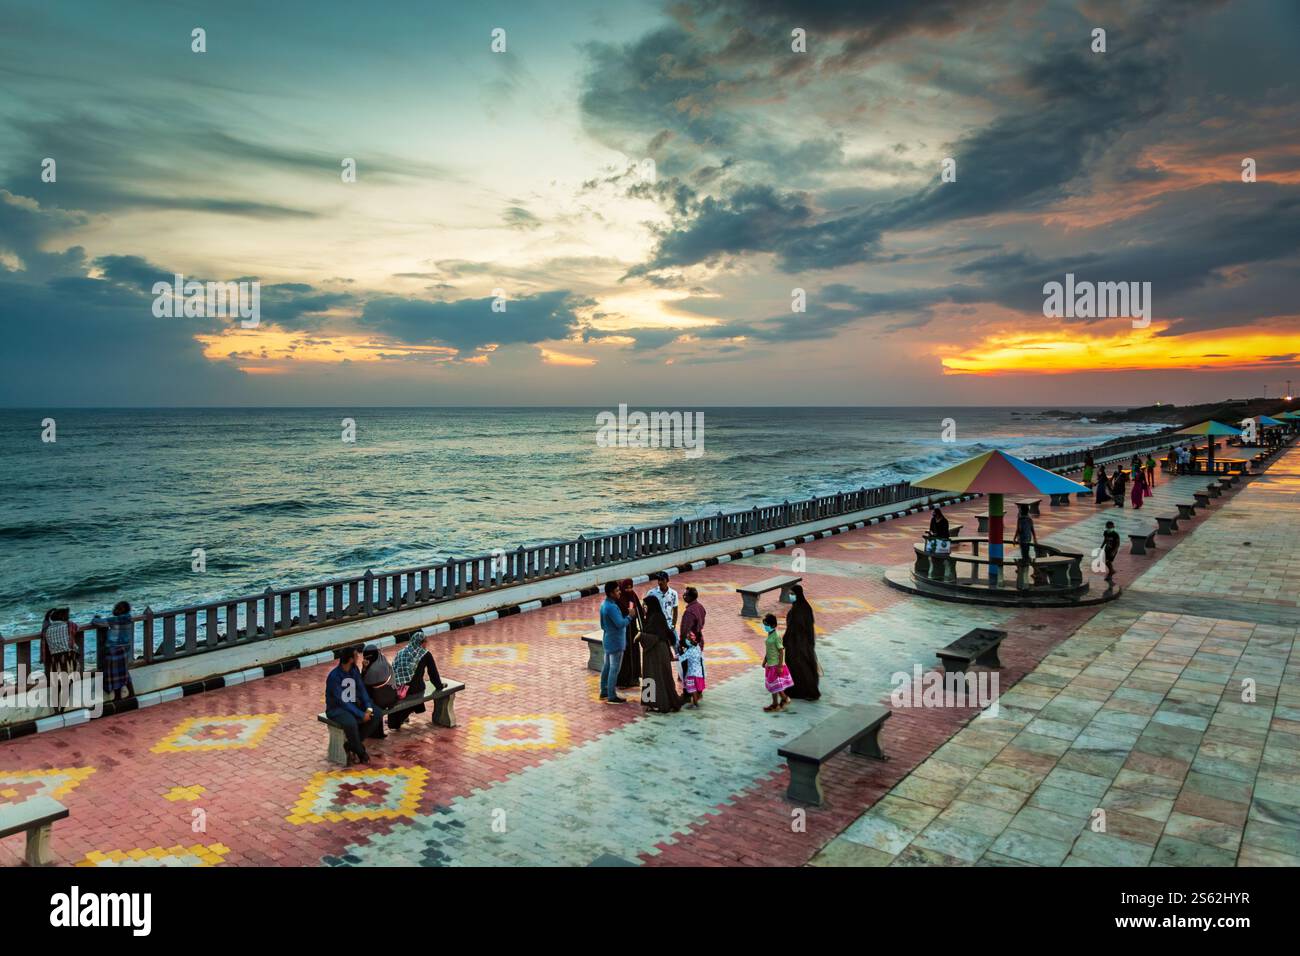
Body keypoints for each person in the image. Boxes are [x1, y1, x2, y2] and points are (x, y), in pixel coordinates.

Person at [325, 645, 381, 764]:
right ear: (350, 659)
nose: (358, 657)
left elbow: (361, 689)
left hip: (354, 704)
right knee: (351, 723)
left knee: (376, 714)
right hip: (337, 709)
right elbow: (342, 701)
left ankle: (351, 745)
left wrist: (368, 708)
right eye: (356, 655)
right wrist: (361, 715)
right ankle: (361, 752)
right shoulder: (334, 677)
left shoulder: (354, 670)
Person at [388, 629, 444, 731]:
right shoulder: (425, 654)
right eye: (426, 642)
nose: (427, 644)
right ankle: (400, 718)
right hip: (415, 690)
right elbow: (433, 674)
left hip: (399, 689)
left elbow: (393, 669)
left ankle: (398, 718)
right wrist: (440, 687)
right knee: (419, 687)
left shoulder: (401, 652)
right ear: (422, 643)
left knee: (414, 685)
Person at [638, 594, 683, 714]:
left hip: (656, 652)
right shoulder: (655, 616)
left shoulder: (655, 619)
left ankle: (658, 703)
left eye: (645, 605)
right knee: (658, 676)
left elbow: (655, 637)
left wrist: (641, 636)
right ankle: (652, 701)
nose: (644, 607)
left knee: (654, 676)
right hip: (657, 651)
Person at [90, 601, 134, 700]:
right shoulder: (128, 618)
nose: (115, 610)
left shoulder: (116, 619)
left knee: (115, 674)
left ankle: (118, 697)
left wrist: (96, 618)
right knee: (124, 672)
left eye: (117, 608)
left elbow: (98, 622)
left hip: (114, 648)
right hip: (125, 648)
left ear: (121, 610)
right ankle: (131, 694)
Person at [783, 584, 820, 700]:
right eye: (790, 594)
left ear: (798, 594)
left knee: (802, 667)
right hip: (801, 643)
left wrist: (786, 639)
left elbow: (796, 628)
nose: (790, 596)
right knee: (799, 667)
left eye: (792, 594)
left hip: (798, 645)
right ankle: (798, 690)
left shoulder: (799, 610)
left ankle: (809, 691)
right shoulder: (804, 606)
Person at [599, 581, 630, 704]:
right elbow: (620, 623)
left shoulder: (604, 605)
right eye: (617, 591)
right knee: (614, 669)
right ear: (611, 593)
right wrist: (630, 616)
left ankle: (604, 690)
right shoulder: (611, 607)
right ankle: (612, 695)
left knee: (607, 666)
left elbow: (602, 625)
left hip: (607, 639)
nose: (619, 592)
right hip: (616, 641)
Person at [679, 587, 707, 706]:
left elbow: (685, 629)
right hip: (698, 641)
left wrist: (682, 643)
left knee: (687, 670)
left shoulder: (689, 612)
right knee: (699, 668)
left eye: (685, 595)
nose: (684, 596)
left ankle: (687, 694)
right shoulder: (700, 607)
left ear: (691, 597)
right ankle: (699, 691)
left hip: (690, 643)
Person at [361, 644, 397, 737]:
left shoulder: (374, 669)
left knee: (366, 701)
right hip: (391, 695)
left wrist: (364, 669)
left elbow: (363, 684)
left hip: (382, 699)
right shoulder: (382, 660)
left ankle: (374, 732)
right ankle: (377, 732)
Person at [761, 613, 794, 712]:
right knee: (775, 685)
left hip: (776, 665)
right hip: (770, 664)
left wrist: (780, 666)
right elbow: (769, 650)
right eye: (765, 624)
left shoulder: (776, 637)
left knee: (774, 685)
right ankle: (783, 700)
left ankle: (777, 703)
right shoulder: (770, 635)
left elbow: (781, 650)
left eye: (767, 625)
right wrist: (765, 661)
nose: (765, 627)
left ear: (773, 625)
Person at [615, 578, 643, 691]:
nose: (629, 589)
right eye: (626, 588)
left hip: (633, 631)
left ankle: (634, 678)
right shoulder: (619, 599)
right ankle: (623, 680)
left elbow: (638, 611)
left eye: (630, 587)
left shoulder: (632, 596)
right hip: (623, 631)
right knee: (624, 656)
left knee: (634, 653)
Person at [40, 608, 80, 677]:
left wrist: (47, 616)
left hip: (55, 657)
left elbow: (45, 623)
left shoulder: (47, 629)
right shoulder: (68, 626)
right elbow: (76, 627)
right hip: (69, 655)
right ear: (64, 617)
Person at [648, 571, 679, 640]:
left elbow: (675, 611)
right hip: (657, 625)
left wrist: (673, 625)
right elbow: (645, 608)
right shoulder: (651, 593)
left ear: (667, 580)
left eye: (662, 580)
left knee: (676, 645)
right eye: (659, 580)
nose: (660, 582)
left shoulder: (673, 594)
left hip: (669, 624)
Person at [1012, 506, 1036, 589]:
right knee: (1025, 553)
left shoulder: (1020, 519)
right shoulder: (1029, 519)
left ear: (1022, 511)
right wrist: (1035, 539)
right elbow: (1032, 529)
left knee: (1025, 555)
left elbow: (1018, 529)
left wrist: (1014, 538)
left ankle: (1027, 569)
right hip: (1027, 539)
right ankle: (1027, 568)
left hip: (1022, 539)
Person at [1101, 521, 1121, 588]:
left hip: (1113, 550)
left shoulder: (1115, 534)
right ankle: (1112, 570)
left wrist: (1114, 551)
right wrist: (1101, 547)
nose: (1109, 528)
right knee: (1105, 561)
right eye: (1108, 527)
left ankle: (1111, 572)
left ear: (1113, 526)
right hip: (1107, 549)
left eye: (1110, 527)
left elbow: (1118, 544)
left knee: (1108, 561)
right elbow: (1105, 540)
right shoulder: (1106, 532)